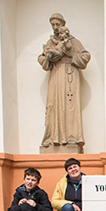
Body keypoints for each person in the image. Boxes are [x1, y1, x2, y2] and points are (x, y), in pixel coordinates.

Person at [38, 13, 91, 153]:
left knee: (70, 107)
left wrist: (70, 53)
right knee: (53, 106)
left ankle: (72, 138)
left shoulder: (73, 41)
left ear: (63, 24)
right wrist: (47, 56)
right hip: (55, 76)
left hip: (69, 75)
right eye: (53, 25)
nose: (55, 27)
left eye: (58, 24)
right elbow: (43, 61)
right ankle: (52, 138)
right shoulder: (50, 43)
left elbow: (85, 56)